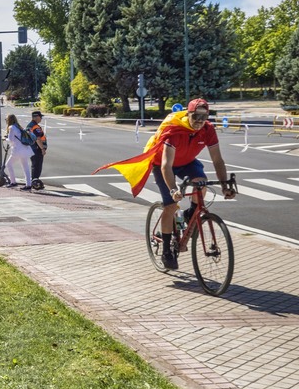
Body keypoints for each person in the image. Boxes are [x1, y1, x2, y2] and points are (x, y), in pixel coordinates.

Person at [95, 98, 236, 270]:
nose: (199, 121)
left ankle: (191, 212)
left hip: (187, 162)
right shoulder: (174, 131)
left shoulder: (208, 129)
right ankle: (167, 250)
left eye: (204, 116)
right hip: (162, 164)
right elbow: (166, 165)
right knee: (171, 206)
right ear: (188, 114)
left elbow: (217, 160)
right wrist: (173, 189)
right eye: (196, 116)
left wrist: (224, 186)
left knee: (202, 182)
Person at [4, 114, 32, 190]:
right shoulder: (18, 126)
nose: (6, 120)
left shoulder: (11, 127)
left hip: (17, 150)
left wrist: (5, 139)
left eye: (6, 119)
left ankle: (13, 182)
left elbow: (11, 140)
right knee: (25, 167)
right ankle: (28, 184)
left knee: (8, 164)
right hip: (25, 149)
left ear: (9, 120)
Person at [25, 110, 48, 190]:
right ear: (37, 117)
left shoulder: (30, 125)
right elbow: (38, 138)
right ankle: (35, 182)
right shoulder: (35, 126)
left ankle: (34, 181)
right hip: (37, 149)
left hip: (32, 149)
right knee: (37, 166)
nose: (41, 118)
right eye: (40, 116)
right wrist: (42, 148)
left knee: (35, 166)